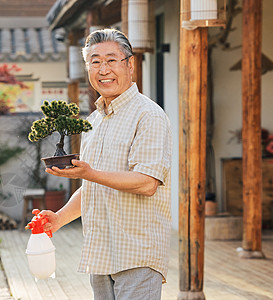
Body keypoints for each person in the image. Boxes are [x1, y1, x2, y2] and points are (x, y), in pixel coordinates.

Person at [40, 28, 172, 300]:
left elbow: (147, 182)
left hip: (137, 254)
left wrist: (91, 173)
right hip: (101, 254)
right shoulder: (93, 122)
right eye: (95, 61)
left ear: (130, 64)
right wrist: (59, 219)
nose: (103, 69)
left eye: (111, 60)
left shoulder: (149, 116)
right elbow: (92, 186)